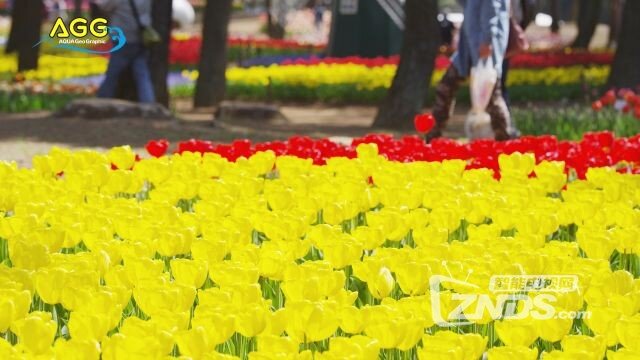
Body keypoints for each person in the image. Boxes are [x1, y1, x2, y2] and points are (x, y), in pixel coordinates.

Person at [425, 0, 514, 142]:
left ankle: (504, 139)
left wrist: (487, 40)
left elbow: (492, 9)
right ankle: (433, 135)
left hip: (484, 48)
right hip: (468, 47)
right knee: (446, 87)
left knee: (491, 95)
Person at [94, 0, 155, 103]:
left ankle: (102, 100)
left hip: (123, 37)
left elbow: (104, 6)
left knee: (113, 73)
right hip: (140, 37)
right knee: (142, 74)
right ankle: (148, 103)